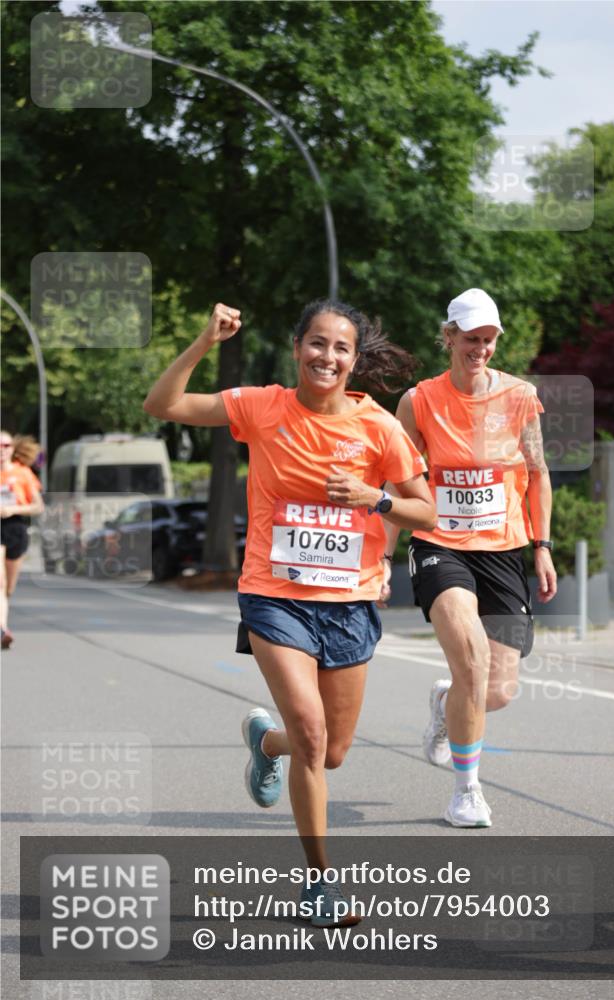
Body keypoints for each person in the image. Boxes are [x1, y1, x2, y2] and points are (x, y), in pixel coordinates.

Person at [143, 299, 436, 923]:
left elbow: (427, 510)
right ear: (296, 346)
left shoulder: (378, 426)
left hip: (350, 603)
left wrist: (374, 498)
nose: (327, 357)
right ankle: (320, 884)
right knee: (311, 730)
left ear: (354, 360)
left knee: (329, 752)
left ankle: (264, 744)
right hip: (274, 595)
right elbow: (163, 406)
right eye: (317, 344)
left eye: (341, 349)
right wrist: (204, 339)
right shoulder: (261, 405)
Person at [383, 288, 557, 828]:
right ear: (449, 336)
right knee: (472, 661)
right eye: (471, 339)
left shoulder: (521, 396)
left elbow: (538, 473)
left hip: (503, 549)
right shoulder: (419, 401)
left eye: (489, 340)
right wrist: (381, 562)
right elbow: (398, 481)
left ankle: (445, 704)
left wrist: (543, 547)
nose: (480, 348)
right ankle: (467, 792)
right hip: (440, 545)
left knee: (497, 690)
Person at [1, 432, 45, 650]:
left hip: (15, 526)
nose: (2, 448)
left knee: (8, 588)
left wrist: (12, 509)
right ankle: (2, 629)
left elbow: (38, 506)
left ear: (12, 448)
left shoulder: (23, 473)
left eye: (6, 444)